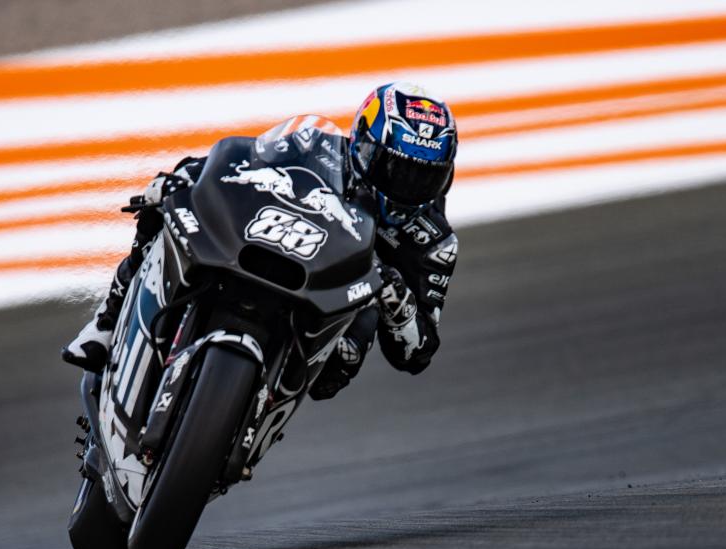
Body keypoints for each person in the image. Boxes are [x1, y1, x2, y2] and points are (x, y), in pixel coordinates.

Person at [62, 82, 459, 400]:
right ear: (363, 146)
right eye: (395, 169)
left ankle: (265, 401)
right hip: (268, 248)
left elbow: (417, 353)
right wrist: (186, 176)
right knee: (167, 204)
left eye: (425, 178)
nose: (408, 187)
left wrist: (397, 301)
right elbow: (242, 163)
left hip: (328, 306)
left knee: (346, 355)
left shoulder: (434, 242)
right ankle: (107, 322)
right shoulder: (316, 146)